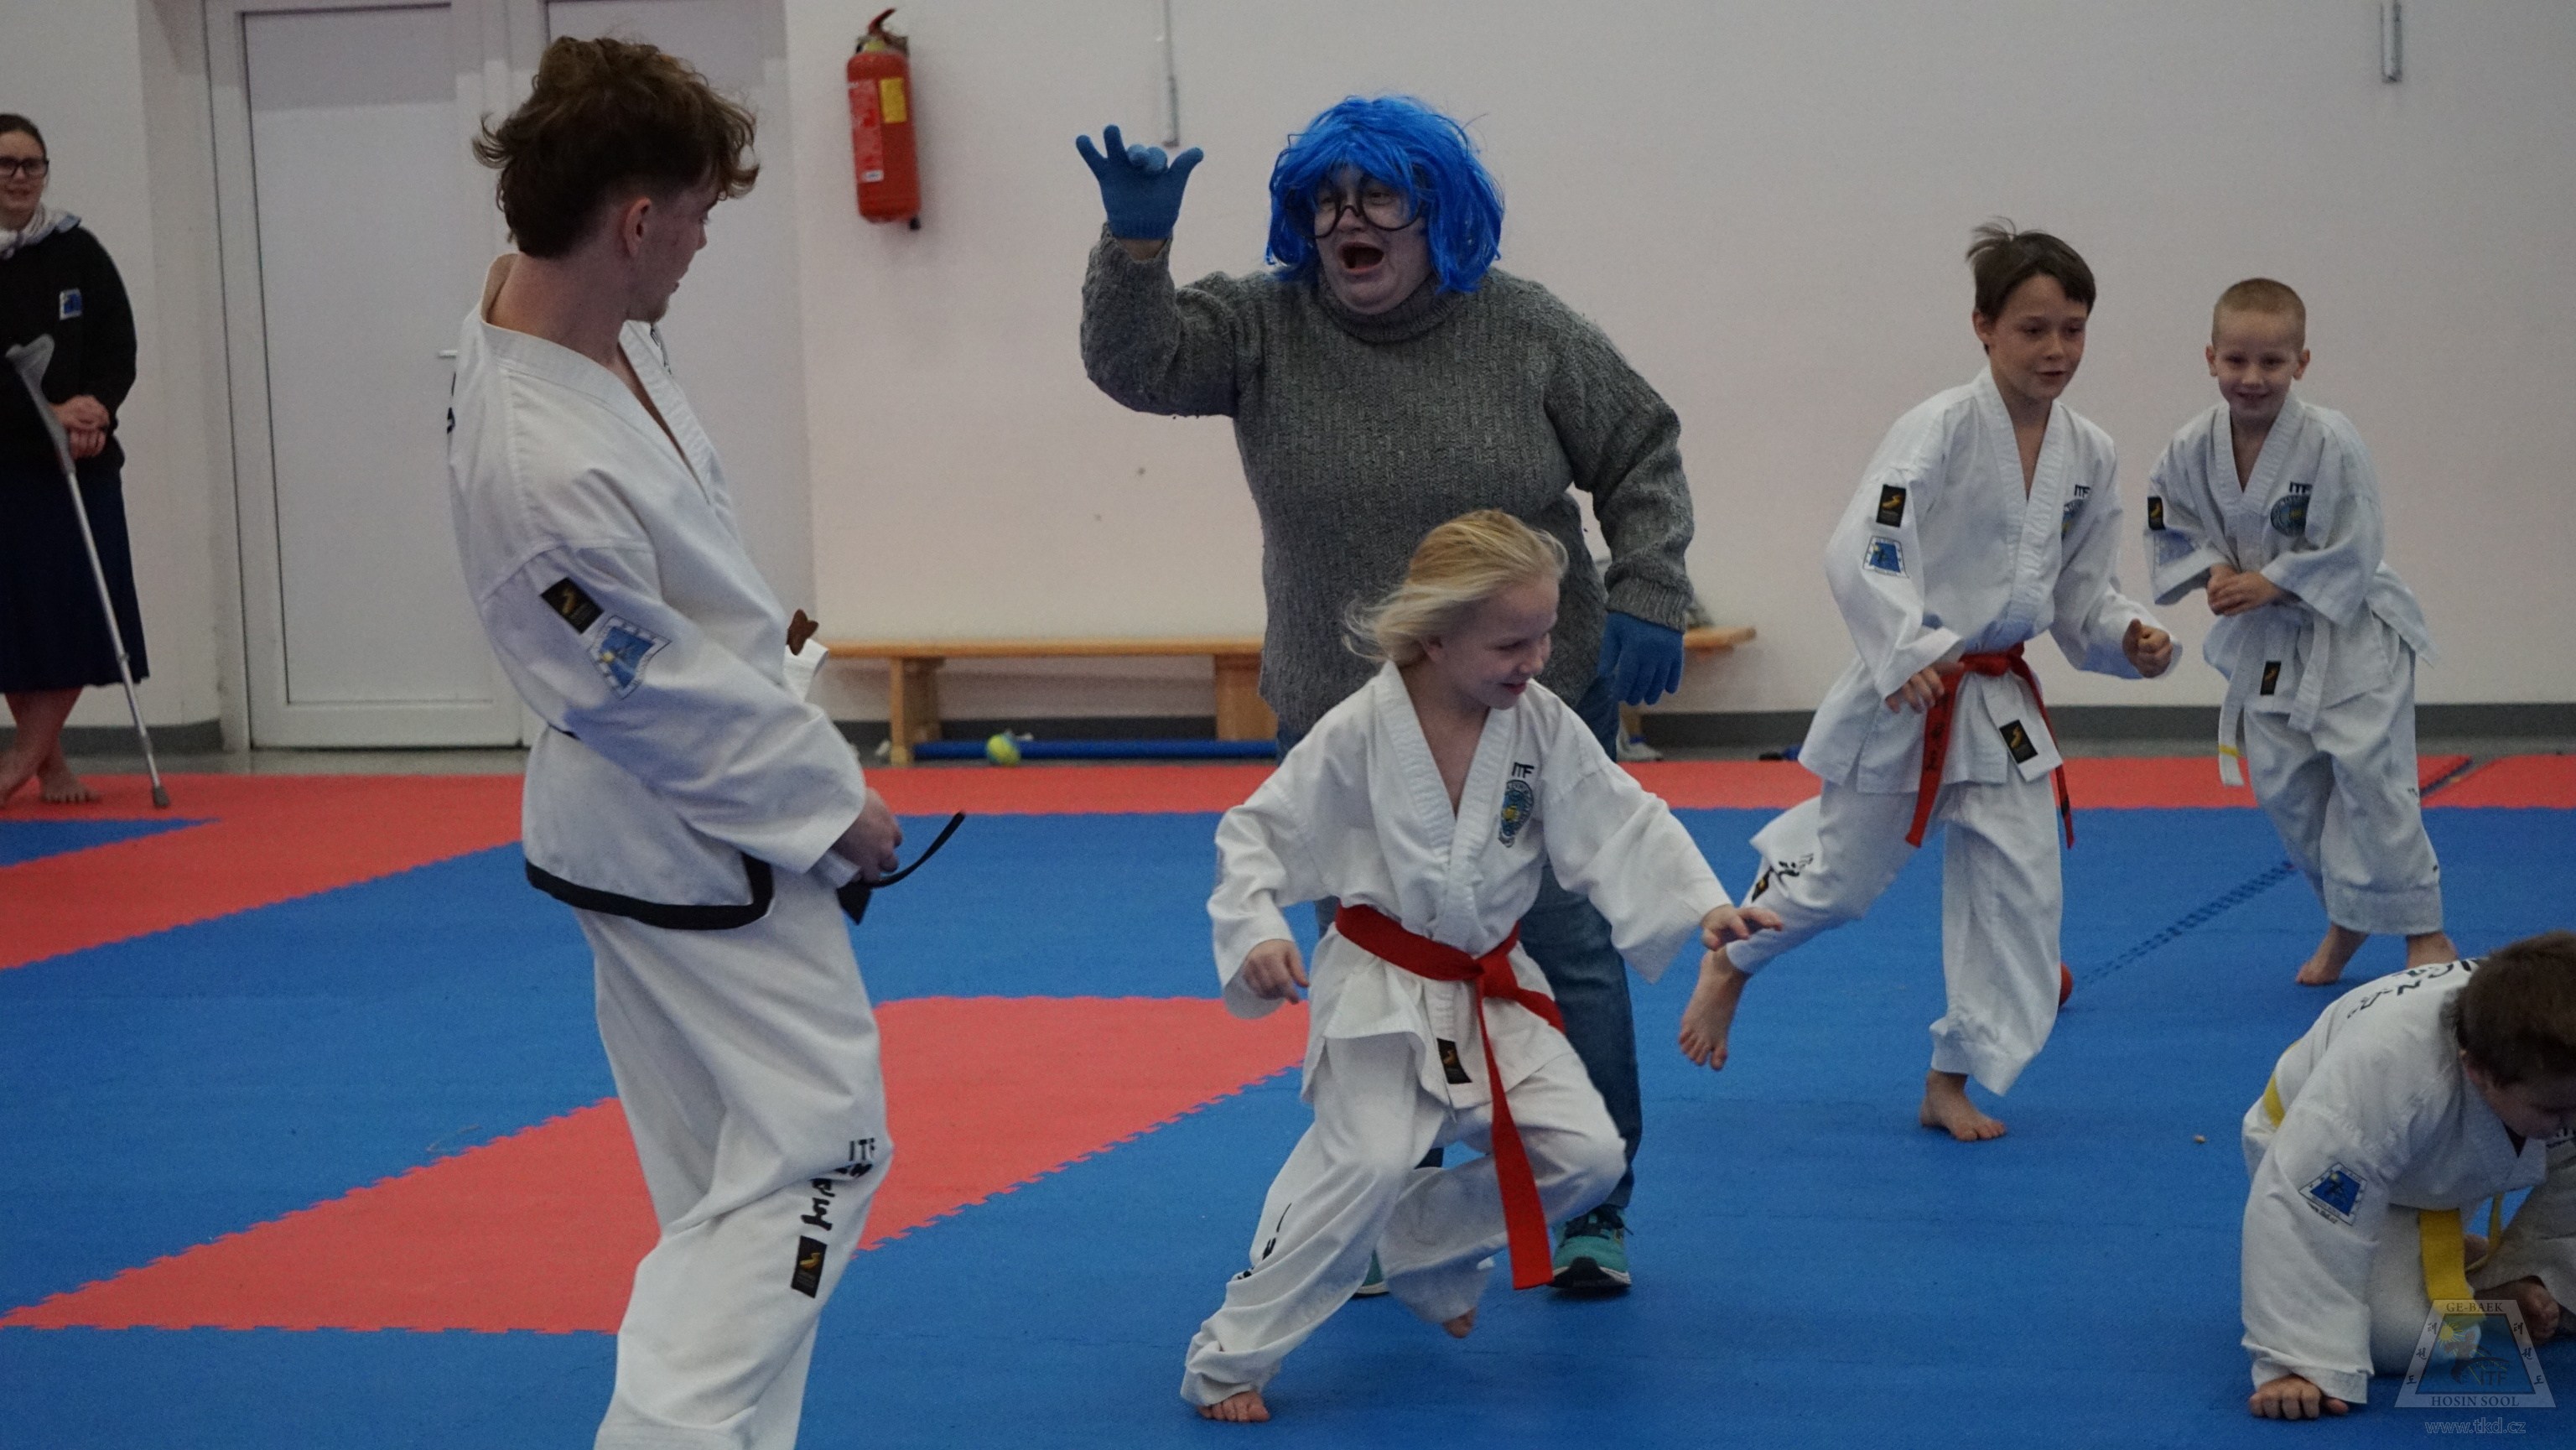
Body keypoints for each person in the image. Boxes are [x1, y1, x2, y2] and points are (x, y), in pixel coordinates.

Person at [1078, 96, 1702, 1287]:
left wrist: (1652, 586)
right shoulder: (1264, 327)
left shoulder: (1525, 330)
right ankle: (1382, 1189)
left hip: (1526, 699)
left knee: (1562, 941)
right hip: (1346, 708)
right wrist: (1137, 245)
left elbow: (1641, 447)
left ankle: (1591, 1198)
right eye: (1324, 200)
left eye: (1376, 196)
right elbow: (1136, 363)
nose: (1346, 220)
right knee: (1374, 954)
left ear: (1440, 211)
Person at [445, 38, 904, 1450]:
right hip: (694, 832)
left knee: (724, 1191)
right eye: (699, 214)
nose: (705, 243)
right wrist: (833, 804)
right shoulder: (540, 457)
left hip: (663, 826)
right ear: (636, 219)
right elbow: (645, 693)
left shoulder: (574, 324)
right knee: (828, 1150)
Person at [1183, 511, 1776, 1421]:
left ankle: (1420, 1242)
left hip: (1492, 987)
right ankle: (1228, 1359)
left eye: (1545, 635)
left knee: (1587, 1154)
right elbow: (1255, 834)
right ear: (1434, 636)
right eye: (1510, 642)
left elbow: (1621, 818)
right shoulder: (1359, 731)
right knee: (1368, 1163)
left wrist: (1704, 906)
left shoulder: (1538, 724)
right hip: (1381, 990)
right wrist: (1258, 929)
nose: (1535, 659)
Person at [1678, 224, 2176, 1141]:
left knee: (2022, 893)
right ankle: (1735, 959)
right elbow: (1867, 543)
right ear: (1984, 326)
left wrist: (2128, 634)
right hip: (1910, 688)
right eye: (2033, 329)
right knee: (1841, 882)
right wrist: (1905, 644)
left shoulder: (2090, 452)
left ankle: (1950, 1078)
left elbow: (2081, 593)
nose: (2056, 349)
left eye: (2072, 329)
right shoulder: (1939, 429)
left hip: (2000, 703)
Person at [2145, 279, 2454, 988]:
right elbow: (2170, 519)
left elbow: (2360, 540)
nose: (2252, 377)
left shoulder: (2330, 441)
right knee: (2286, 789)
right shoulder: (2191, 447)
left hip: (2352, 633)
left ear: (2301, 363)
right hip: (2268, 640)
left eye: (2272, 362)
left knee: (2373, 783)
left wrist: (2274, 581)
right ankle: (2347, 917)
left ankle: (2425, 930)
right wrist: (2217, 570)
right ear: (2210, 358)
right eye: (2236, 360)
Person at [2239, 934, 2576, 1421]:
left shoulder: (2541, 1047)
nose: (2571, 1120)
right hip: (2320, 1155)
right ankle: (2460, 1277)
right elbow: (2303, 1211)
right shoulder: (2383, 1076)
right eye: (2554, 1108)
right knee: (2406, 1339)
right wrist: (2298, 1361)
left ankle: (2514, 1271)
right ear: (2478, 1071)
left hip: (2440, 1155)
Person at [0, 114, 143, 808]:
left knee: (86, 605)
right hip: (11, 461)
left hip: (86, 459)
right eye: (5, 164)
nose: (20, 176)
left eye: (32, 164)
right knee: (20, 618)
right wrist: (47, 415)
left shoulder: (77, 247)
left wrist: (96, 409)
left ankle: (17, 761)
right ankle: (47, 764)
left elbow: (119, 342)